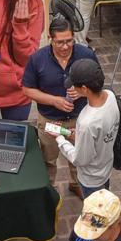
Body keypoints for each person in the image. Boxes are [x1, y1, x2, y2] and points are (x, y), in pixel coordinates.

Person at [21, 16, 98, 193]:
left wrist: (82, 92)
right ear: (50, 39)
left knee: (79, 157)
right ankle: (50, 191)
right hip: (50, 122)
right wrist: (54, 101)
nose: (65, 47)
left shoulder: (86, 55)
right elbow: (27, 90)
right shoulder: (37, 59)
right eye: (60, 42)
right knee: (48, 159)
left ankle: (77, 184)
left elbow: (98, 83)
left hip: (80, 119)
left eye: (69, 41)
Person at [47, 58, 118, 197]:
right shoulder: (110, 96)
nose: (72, 88)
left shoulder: (87, 122)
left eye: (75, 85)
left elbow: (80, 160)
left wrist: (60, 138)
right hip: (106, 167)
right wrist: (78, 135)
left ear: (85, 88)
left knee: (95, 215)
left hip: (91, 179)